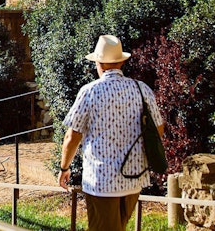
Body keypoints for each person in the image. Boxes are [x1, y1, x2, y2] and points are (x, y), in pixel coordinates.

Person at [58, 35, 164, 231]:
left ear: (98, 63)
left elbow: (72, 137)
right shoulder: (142, 90)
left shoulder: (89, 91)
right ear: (122, 62)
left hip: (101, 181)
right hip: (134, 177)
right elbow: (158, 130)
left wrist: (64, 167)